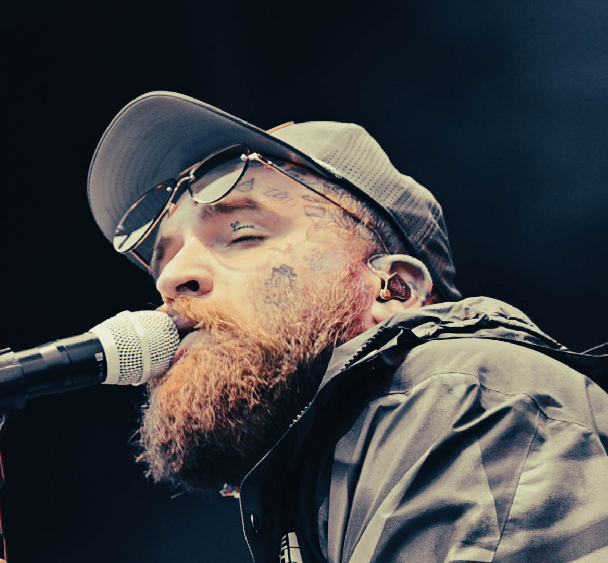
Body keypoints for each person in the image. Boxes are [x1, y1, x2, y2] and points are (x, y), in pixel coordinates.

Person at [86, 91, 608, 562]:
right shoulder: (323, 485)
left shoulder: (461, 398)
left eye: (243, 233)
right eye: (164, 259)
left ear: (394, 290)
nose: (172, 278)